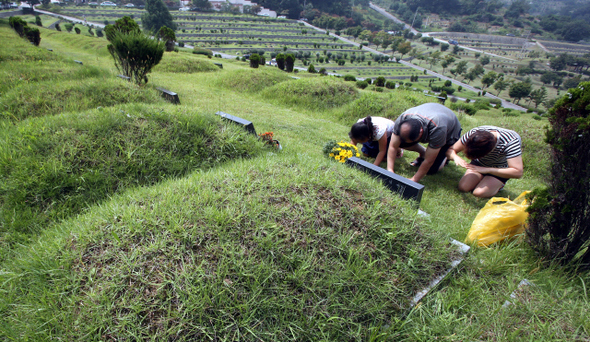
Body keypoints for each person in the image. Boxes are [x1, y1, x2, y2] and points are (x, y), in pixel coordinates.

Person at [386, 103, 462, 183]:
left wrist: (414, 179)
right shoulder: (403, 118)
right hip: (432, 117)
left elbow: (429, 160)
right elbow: (393, 146)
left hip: (450, 133)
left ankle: (444, 156)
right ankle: (424, 152)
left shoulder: (438, 128)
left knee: (431, 169)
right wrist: (390, 170)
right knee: (400, 143)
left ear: (421, 132)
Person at [447, 125, 523, 198]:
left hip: (500, 169)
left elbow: (518, 172)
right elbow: (450, 150)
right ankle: (483, 178)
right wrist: (455, 157)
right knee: (463, 187)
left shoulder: (511, 141)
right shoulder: (474, 134)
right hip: (479, 164)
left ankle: (499, 184)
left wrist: (487, 170)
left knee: (479, 193)